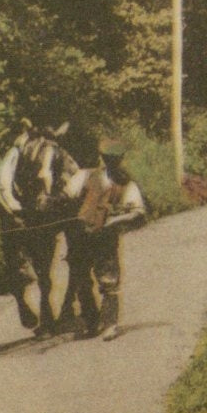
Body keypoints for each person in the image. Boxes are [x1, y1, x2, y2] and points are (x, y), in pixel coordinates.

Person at [64, 136, 145, 341]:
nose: (112, 162)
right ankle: (90, 321)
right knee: (81, 279)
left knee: (108, 280)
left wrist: (115, 221)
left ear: (121, 159)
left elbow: (138, 212)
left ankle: (109, 323)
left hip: (105, 237)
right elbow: (67, 197)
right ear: (102, 157)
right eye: (109, 158)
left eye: (115, 158)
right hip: (81, 236)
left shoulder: (127, 185)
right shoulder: (84, 176)